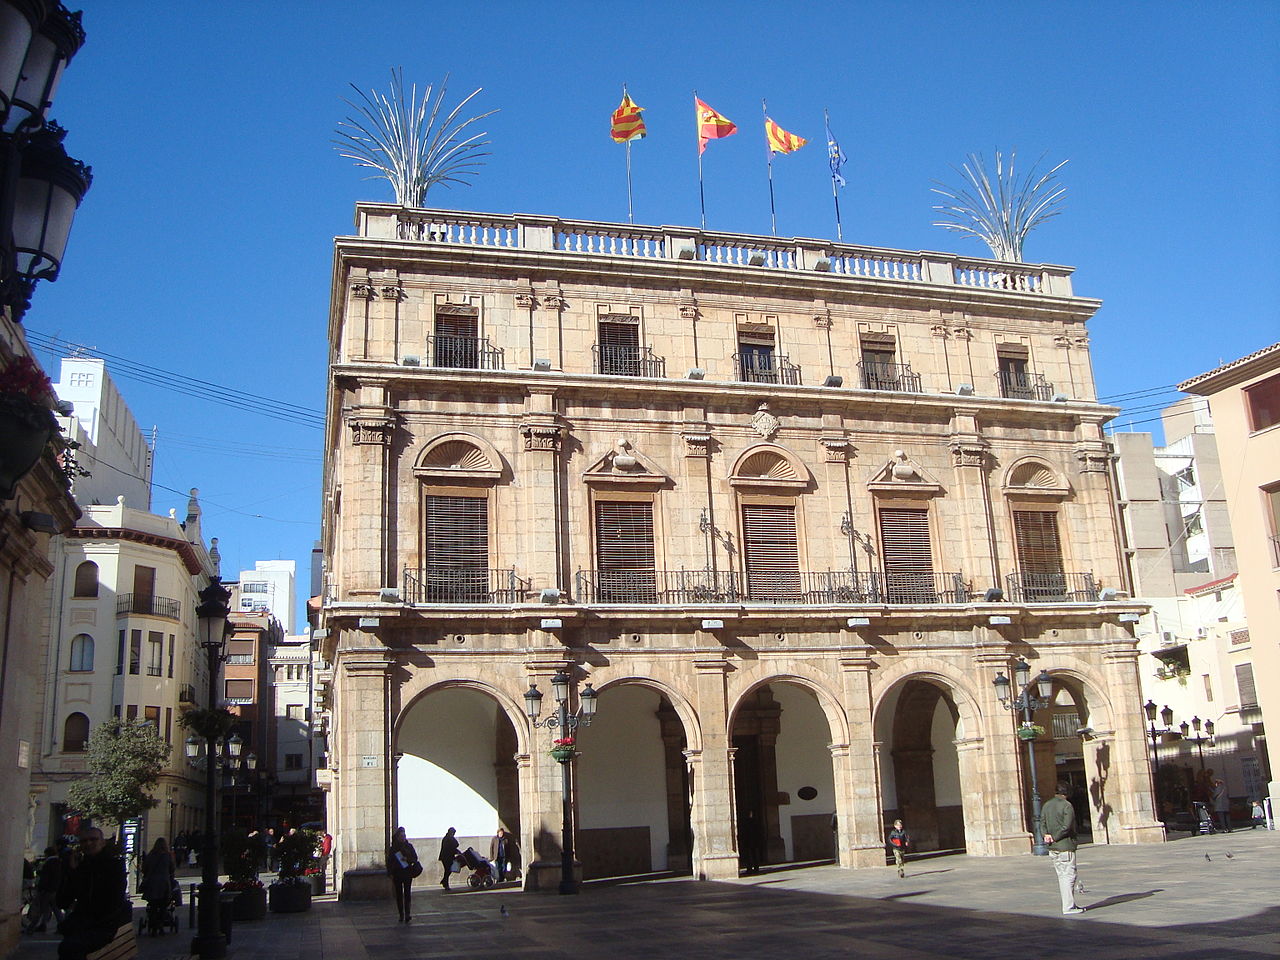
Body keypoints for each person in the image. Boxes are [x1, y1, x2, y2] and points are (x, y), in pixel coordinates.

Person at [57, 827, 130, 959]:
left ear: (102, 842)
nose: (88, 843)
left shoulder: (114, 866)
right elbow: (63, 901)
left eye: (93, 839)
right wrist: (71, 872)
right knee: (68, 947)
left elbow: (113, 900)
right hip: (83, 925)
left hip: (104, 925)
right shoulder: (80, 867)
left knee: (70, 948)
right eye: (84, 841)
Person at [1042, 781, 1085, 915]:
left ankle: (1068, 903)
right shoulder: (1067, 806)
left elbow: (1041, 822)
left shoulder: (1047, 805)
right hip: (1065, 845)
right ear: (1067, 792)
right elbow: (1067, 826)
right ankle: (1068, 906)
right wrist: (1055, 836)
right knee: (1069, 876)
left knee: (1062, 876)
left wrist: (1046, 835)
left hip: (1053, 847)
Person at [23, 847, 64, 934]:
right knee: (54, 909)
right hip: (55, 889)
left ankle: (31, 928)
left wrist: (41, 888)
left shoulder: (48, 863)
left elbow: (45, 878)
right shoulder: (59, 862)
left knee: (40, 909)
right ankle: (60, 926)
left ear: (47, 854)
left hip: (47, 890)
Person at [140, 838, 175, 931]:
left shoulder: (150, 855)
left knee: (153, 904)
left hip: (151, 884)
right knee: (164, 905)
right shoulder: (168, 856)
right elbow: (172, 869)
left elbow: (144, 869)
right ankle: (161, 922)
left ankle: (153, 921)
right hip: (164, 884)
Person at [386, 827, 420, 922]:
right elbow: (390, 861)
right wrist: (390, 873)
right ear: (397, 837)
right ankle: (401, 914)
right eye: (401, 836)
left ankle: (407, 913)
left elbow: (415, 858)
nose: (403, 838)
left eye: (404, 836)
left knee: (407, 893)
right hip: (397, 873)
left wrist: (407, 859)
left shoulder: (409, 846)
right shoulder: (393, 848)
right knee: (399, 894)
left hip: (407, 872)